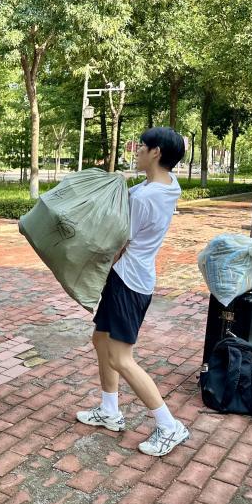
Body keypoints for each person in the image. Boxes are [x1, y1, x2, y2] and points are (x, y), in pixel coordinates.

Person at [76, 127, 189, 457]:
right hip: (131, 278)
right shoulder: (167, 185)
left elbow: (119, 243)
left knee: (121, 358)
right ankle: (109, 409)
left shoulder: (145, 197)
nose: (136, 151)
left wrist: (91, 270)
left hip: (128, 280)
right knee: (101, 339)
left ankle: (169, 425)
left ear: (156, 153)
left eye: (141, 147)